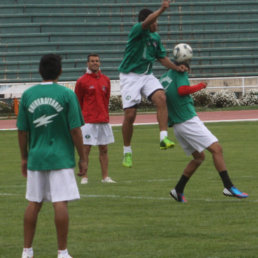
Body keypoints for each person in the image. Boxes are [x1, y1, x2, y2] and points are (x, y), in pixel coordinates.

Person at [17, 54, 87, 258]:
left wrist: (24, 157)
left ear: (40, 71)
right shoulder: (67, 94)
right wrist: (83, 158)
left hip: (36, 157)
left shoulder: (28, 95)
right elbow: (75, 129)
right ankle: (62, 252)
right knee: (60, 202)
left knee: (33, 203)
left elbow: (22, 131)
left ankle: (27, 251)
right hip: (61, 157)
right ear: (60, 72)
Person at [160, 44, 248, 203]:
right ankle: (228, 186)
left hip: (177, 126)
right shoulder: (181, 72)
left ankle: (178, 190)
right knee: (217, 149)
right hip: (187, 120)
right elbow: (182, 90)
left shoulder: (164, 77)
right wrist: (201, 86)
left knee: (199, 157)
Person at [118, 0, 187, 168]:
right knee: (130, 116)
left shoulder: (156, 38)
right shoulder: (137, 30)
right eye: (155, 21)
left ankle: (163, 137)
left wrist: (177, 68)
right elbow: (147, 21)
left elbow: (162, 59)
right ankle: (127, 151)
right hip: (130, 76)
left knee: (161, 97)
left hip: (147, 75)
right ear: (148, 22)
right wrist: (162, 8)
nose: (157, 24)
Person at [75, 53, 116, 184]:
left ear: (100, 63)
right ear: (87, 63)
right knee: (85, 149)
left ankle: (105, 177)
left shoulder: (106, 80)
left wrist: (105, 115)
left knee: (104, 149)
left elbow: (106, 98)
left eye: (97, 61)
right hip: (87, 120)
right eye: (92, 61)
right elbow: (77, 101)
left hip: (103, 119)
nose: (95, 63)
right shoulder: (82, 81)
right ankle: (84, 177)